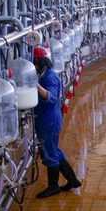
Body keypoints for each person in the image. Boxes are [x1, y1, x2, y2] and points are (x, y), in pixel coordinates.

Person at [33, 46, 82, 198]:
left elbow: (51, 97)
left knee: (49, 153)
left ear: (39, 61)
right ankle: (73, 180)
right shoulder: (43, 75)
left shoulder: (49, 77)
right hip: (44, 119)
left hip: (49, 121)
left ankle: (53, 186)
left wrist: (34, 84)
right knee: (53, 151)